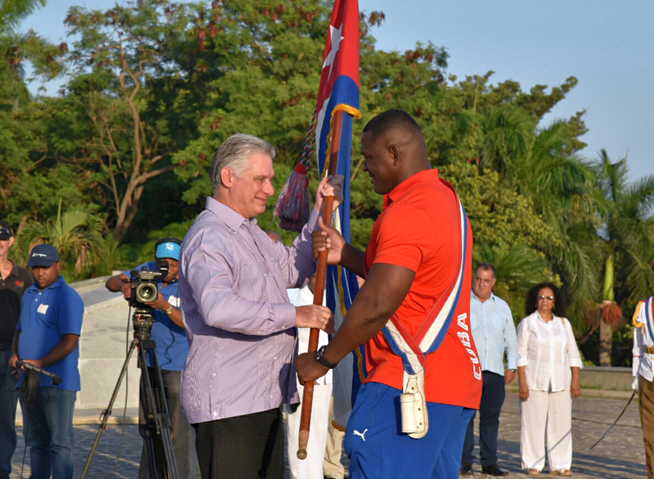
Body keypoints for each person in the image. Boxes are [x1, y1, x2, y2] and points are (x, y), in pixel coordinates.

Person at [296, 109, 482, 479]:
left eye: (370, 157)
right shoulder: (447, 202)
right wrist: (346, 255)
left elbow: (378, 303)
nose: (365, 167)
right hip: (454, 384)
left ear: (395, 153)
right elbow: (411, 278)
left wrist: (323, 359)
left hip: (407, 382)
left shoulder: (408, 212)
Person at [179, 133, 336, 479]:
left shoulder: (248, 232)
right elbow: (218, 308)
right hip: (229, 405)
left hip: (259, 398)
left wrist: (320, 209)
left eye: (270, 180)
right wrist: (294, 315)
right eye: (260, 180)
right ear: (228, 177)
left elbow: (293, 268)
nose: (269, 189)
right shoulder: (211, 237)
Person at [105, 237, 199, 478]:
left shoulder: (192, 282)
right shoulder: (148, 271)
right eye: (162, 262)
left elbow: (192, 325)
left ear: (183, 261)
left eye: (172, 263)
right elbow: (110, 283)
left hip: (179, 367)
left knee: (178, 432)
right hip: (149, 361)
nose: (166, 268)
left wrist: (163, 305)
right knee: (149, 428)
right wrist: (125, 283)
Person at [9, 244, 84, 479]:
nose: (40, 273)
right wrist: (14, 355)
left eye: (45, 267)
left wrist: (40, 363)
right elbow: (19, 331)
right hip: (28, 381)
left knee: (59, 444)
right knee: (36, 442)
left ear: (57, 266)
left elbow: (70, 341)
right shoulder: (29, 294)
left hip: (56, 384)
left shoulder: (68, 297)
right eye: (36, 268)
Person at [516, 282, 582, 476]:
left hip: (561, 381)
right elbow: (520, 356)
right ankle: (533, 463)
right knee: (533, 425)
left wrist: (575, 380)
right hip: (534, 381)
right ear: (535, 301)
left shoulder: (563, 324)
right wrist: (522, 383)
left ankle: (561, 464)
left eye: (549, 298)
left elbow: (573, 354)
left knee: (561, 424)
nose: (545, 301)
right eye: (541, 297)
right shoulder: (527, 323)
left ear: (555, 302)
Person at [461, 263, 518, 477]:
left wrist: (512, 365)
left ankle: (489, 462)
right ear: (473, 279)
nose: (482, 284)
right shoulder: (462, 304)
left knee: (490, 418)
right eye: (478, 279)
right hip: (468, 370)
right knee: (466, 417)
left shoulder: (502, 307)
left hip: (494, 371)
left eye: (486, 280)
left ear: (493, 282)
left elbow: (510, 338)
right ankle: (464, 461)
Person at [283, 278, 332, 479]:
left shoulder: (336, 296)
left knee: (319, 443)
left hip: (325, 379)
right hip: (299, 378)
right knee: (300, 445)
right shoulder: (291, 295)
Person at [0, 220, 32, 479]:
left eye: (3, 237)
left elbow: (32, 316)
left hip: (11, 357)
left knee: (5, 419)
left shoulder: (24, 276)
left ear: (11, 241)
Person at [631, 296, 654, 479]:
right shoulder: (644, 307)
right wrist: (635, 375)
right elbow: (638, 345)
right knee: (650, 431)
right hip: (647, 373)